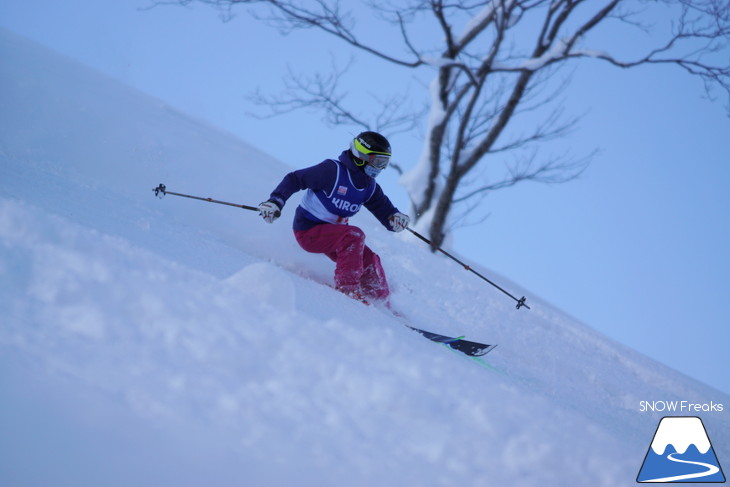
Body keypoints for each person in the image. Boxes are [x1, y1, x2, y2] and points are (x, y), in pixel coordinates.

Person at [258, 131, 410, 304]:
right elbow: (295, 179)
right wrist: (276, 201)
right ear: (361, 155)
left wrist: (395, 219)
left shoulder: (368, 186)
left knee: (369, 258)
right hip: (308, 231)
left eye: (384, 163)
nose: (379, 168)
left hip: (335, 237)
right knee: (354, 236)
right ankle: (348, 291)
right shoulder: (332, 171)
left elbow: (385, 210)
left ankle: (381, 302)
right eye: (377, 161)